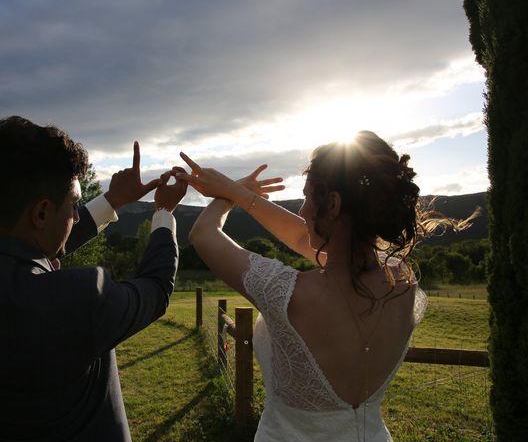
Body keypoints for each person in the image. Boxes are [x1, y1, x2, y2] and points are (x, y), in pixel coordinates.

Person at [0, 115, 187, 442]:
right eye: (73, 206)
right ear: (42, 213)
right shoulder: (82, 299)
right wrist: (164, 212)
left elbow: (20, 248)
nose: (75, 216)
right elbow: (155, 289)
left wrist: (113, 201)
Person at [176, 131, 435, 441]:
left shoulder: (286, 294)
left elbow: (203, 233)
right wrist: (239, 192)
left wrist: (230, 194)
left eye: (306, 198)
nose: (300, 211)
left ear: (333, 204)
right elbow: (302, 237)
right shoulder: (404, 282)